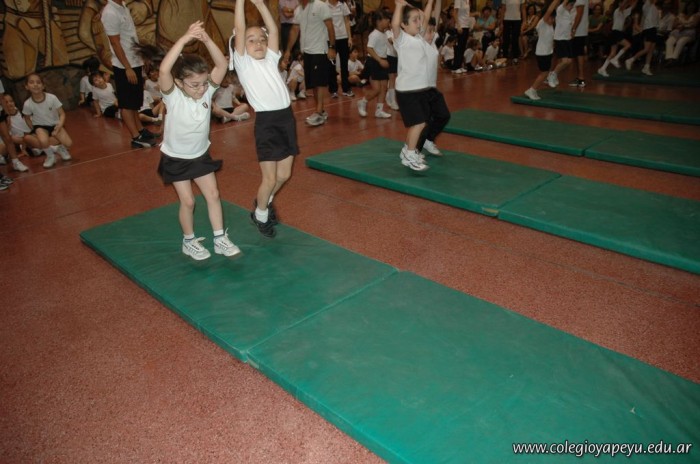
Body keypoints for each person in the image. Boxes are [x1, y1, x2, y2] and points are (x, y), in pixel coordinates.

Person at [156, 21, 242, 260]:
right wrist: (185, 39)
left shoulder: (207, 92)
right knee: (188, 202)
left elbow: (222, 64)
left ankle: (220, 239)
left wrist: (206, 39)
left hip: (200, 155)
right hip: (176, 157)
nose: (202, 89)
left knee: (213, 195)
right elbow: (164, 71)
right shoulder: (173, 96)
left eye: (204, 83)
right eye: (194, 85)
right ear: (180, 82)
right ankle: (189, 241)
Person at [233, 0, 299, 238]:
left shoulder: (271, 59)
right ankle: (260, 214)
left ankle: (264, 201)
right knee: (269, 178)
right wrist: (241, 2)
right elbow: (241, 28)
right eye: (251, 40)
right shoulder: (243, 63)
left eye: (261, 39)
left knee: (284, 175)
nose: (258, 43)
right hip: (267, 124)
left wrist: (261, 5)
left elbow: (273, 30)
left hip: (286, 119)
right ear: (242, 45)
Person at [392, 0, 451, 172]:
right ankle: (410, 156)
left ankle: (407, 151)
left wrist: (429, 2)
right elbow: (395, 24)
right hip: (407, 91)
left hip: (419, 90)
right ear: (404, 25)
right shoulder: (402, 40)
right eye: (414, 20)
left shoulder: (419, 37)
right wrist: (399, 6)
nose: (419, 23)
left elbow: (425, 15)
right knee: (418, 123)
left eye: (419, 20)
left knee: (419, 123)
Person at [101, 0, 159, 148]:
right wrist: (127, 68)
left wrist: (140, 57)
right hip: (124, 66)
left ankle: (140, 130)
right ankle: (135, 137)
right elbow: (115, 43)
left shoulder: (123, 6)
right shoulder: (110, 12)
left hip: (134, 62)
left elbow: (130, 37)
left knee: (134, 102)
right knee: (127, 104)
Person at [284, 0, 337, 126]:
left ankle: (318, 113)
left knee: (319, 83)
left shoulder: (320, 6)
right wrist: (288, 50)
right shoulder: (298, 10)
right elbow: (294, 30)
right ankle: (321, 111)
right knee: (314, 84)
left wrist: (332, 47)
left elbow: (330, 26)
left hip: (320, 50)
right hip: (307, 52)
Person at [22, 74, 73, 169]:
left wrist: (59, 126)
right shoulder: (27, 104)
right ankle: (50, 156)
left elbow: (62, 114)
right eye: (31, 82)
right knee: (43, 141)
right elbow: (27, 117)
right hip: (40, 127)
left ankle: (60, 148)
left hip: (55, 125)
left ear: (43, 86)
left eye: (38, 82)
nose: (35, 85)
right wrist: (34, 129)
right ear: (26, 86)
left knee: (69, 143)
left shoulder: (52, 98)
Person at [357, 10, 393, 119]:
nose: (388, 20)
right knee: (377, 89)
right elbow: (369, 48)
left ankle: (379, 111)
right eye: (386, 19)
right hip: (374, 61)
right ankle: (363, 102)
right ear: (378, 21)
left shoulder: (385, 33)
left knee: (384, 88)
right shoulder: (374, 34)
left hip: (382, 61)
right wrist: (380, 60)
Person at [524, 0, 560, 100]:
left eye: (553, 18)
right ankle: (532, 90)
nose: (552, 20)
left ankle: (540, 84)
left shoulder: (550, 26)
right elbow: (549, 10)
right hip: (542, 52)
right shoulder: (542, 22)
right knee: (544, 73)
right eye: (551, 18)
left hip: (547, 52)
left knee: (546, 72)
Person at [598, 0, 635, 76]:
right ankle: (615, 59)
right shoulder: (617, 10)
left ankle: (602, 69)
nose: (625, 4)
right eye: (623, 3)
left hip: (617, 33)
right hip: (616, 32)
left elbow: (633, 6)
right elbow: (623, 5)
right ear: (619, 4)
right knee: (628, 45)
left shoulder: (625, 12)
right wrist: (626, 2)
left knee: (612, 53)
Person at [327, 0, 354, 97]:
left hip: (343, 38)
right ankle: (333, 90)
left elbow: (347, 22)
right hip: (330, 39)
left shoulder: (342, 5)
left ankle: (346, 89)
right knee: (331, 65)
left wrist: (349, 37)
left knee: (344, 64)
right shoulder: (324, 6)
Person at [547, 0, 577, 87]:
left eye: (573, 5)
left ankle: (554, 74)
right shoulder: (561, 9)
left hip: (567, 39)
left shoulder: (570, 13)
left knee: (569, 61)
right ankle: (552, 75)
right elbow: (564, 2)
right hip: (560, 39)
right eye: (570, 5)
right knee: (564, 61)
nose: (572, 7)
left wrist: (572, 31)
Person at [625, 0, 659, 74]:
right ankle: (630, 60)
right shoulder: (647, 5)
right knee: (646, 49)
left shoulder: (654, 7)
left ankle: (646, 67)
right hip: (648, 29)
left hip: (654, 29)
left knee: (651, 50)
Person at [0, 88, 29, 174]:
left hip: (21, 140)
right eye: (7, 102)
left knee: (10, 138)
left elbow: (27, 131)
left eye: (11, 101)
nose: (9, 104)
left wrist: (7, 115)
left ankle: (16, 161)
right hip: (10, 142)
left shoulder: (19, 113)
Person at [664, 0, 699, 65]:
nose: (691, 7)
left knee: (681, 41)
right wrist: (679, 25)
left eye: (693, 5)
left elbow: (694, 24)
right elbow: (674, 24)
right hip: (678, 32)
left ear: (695, 7)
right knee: (669, 41)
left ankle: (674, 59)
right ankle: (669, 58)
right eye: (690, 5)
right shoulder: (681, 14)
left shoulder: (696, 15)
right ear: (687, 6)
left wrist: (684, 26)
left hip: (689, 33)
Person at [569, 0, 590, 87]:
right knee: (577, 54)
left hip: (579, 31)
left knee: (579, 54)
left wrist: (574, 29)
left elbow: (579, 14)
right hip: (578, 30)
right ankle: (579, 78)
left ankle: (581, 79)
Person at [452, 0, 472, 72]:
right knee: (458, 47)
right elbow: (454, 13)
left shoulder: (467, 0)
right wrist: (458, 25)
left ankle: (459, 66)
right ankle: (455, 67)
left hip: (466, 26)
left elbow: (467, 14)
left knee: (463, 47)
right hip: (460, 26)